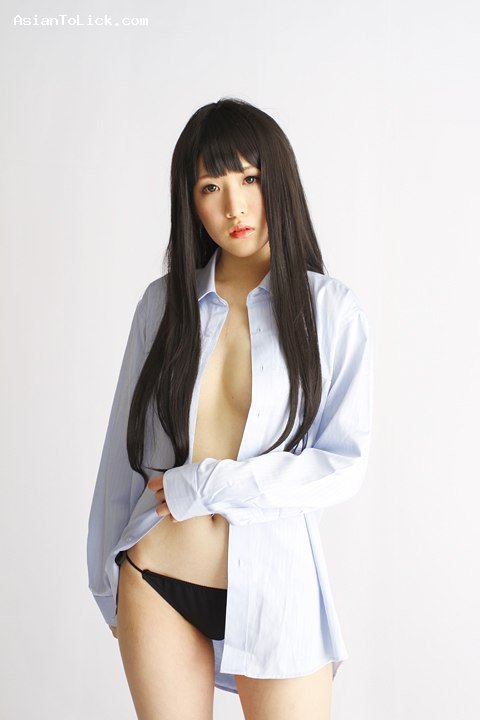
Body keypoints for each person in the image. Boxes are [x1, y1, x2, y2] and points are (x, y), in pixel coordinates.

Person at [87, 97, 374, 720]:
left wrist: (207, 484)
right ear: (190, 203)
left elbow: (343, 464)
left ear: (279, 181)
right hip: (157, 579)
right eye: (210, 187)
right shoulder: (162, 306)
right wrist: (106, 581)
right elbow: (122, 457)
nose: (234, 206)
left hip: (277, 589)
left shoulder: (330, 311)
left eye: (249, 178)